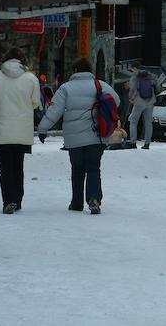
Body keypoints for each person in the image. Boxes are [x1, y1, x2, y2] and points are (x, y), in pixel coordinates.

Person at [37, 57, 119, 214]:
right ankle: (94, 198)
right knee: (94, 168)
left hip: (74, 139)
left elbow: (55, 110)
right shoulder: (100, 85)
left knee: (77, 169)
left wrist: (43, 129)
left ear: (75, 71)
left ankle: (76, 203)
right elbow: (116, 101)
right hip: (97, 135)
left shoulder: (66, 88)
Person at [0, 47, 40, 214]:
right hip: (22, 128)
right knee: (18, 165)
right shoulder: (31, 78)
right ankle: (18, 199)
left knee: (5, 167)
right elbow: (35, 102)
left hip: (2, 128)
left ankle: (8, 200)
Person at [127, 64, 158, 149]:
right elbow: (157, 85)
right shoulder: (151, 75)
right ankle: (147, 143)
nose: (132, 71)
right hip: (150, 101)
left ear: (135, 68)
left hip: (139, 102)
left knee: (133, 121)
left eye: (132, 69)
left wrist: (130, 98)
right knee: (148, 123)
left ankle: (133, 142)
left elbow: (132, 89)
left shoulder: (135, 77)